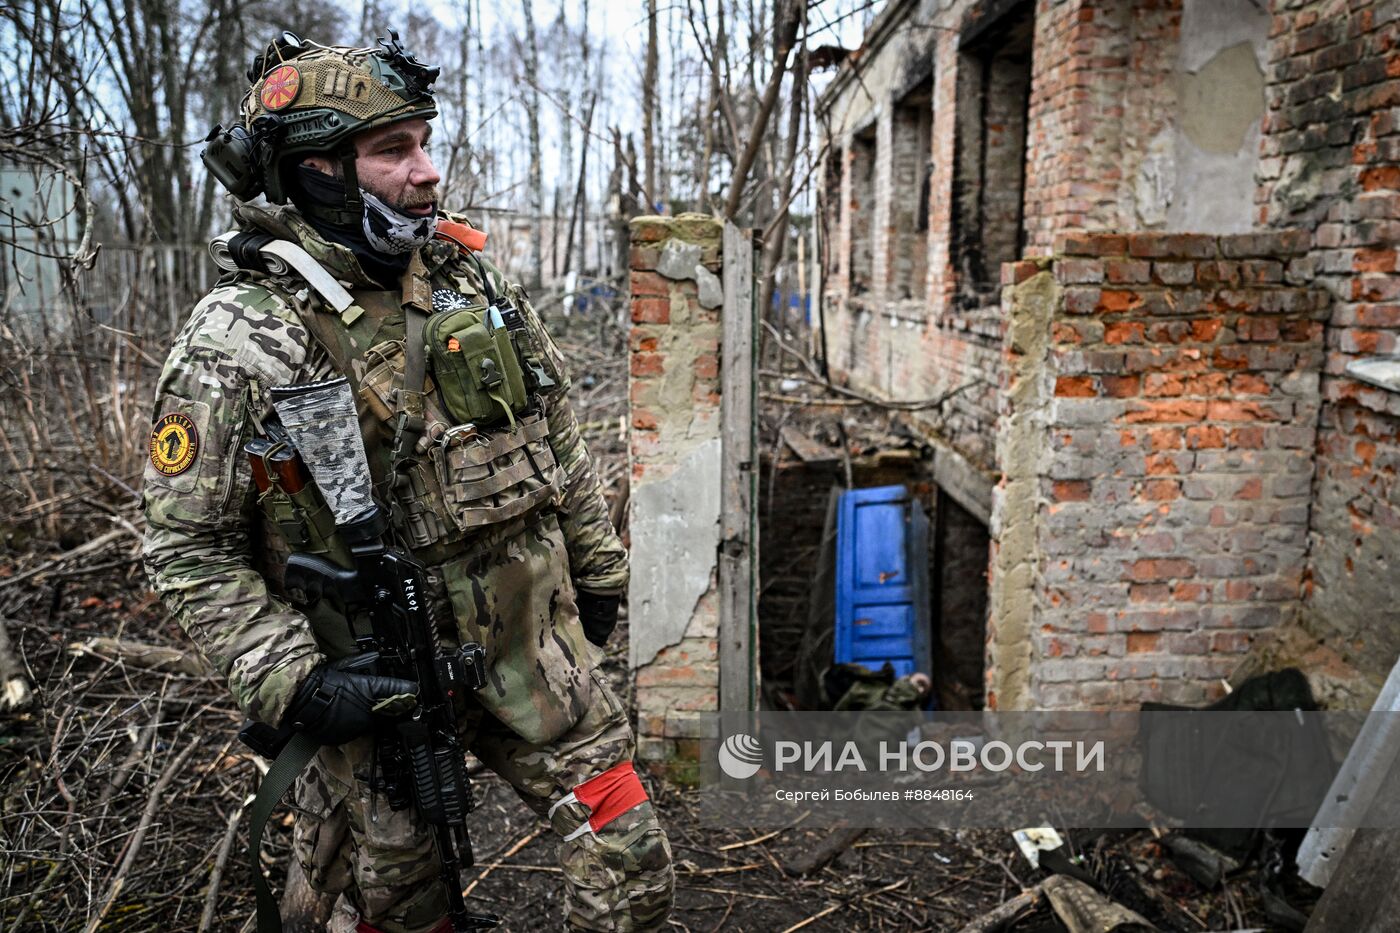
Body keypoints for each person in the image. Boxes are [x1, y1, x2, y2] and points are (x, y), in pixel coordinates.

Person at [141, 31, 673, 933]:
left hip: (534, 650)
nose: (427, 173)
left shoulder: (472, 281)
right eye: (394, 151)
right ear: (317, 172)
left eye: (425, 143)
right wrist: (294, 682)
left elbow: (555, 433)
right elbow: (185, 543)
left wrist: (599, 569)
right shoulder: (240, 337)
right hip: (375, 688)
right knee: (403, 906)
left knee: (632, 864)